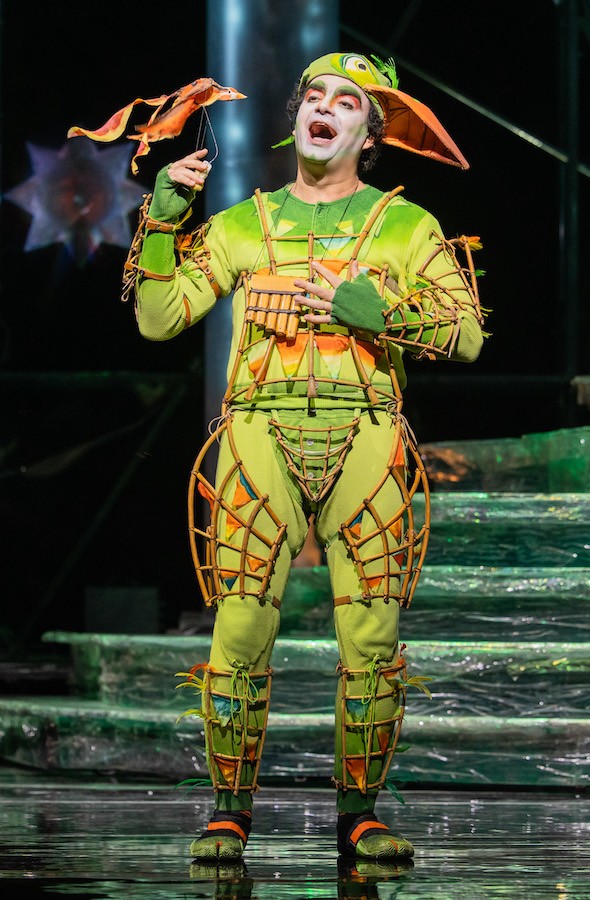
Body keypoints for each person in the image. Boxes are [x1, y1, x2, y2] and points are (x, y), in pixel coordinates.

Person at [125, 52, 485, 861]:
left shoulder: (405, 225)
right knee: (241, 624)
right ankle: (228, 811)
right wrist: (163, 220)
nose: (325, 108)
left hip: (367, 431)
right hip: (260, 432)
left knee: (372, 632)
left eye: (348, 101)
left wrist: (373, 308)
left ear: (370, 132)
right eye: (314, 96)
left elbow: (464, 333)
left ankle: (360, 811)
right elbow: (158, 318)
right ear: (297, 119)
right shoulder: (243, 223)